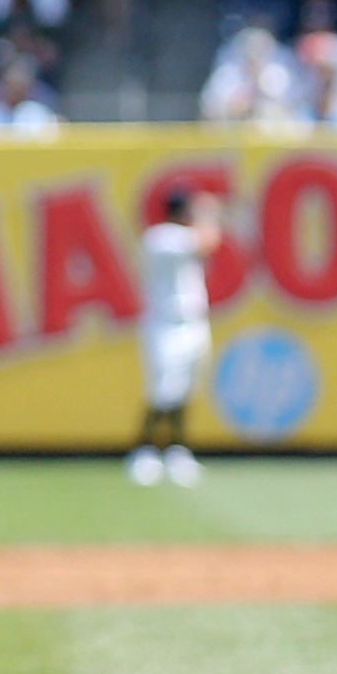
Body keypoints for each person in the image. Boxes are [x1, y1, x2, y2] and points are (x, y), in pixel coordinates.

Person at [132, 185, 220, 486]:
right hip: (165, 324)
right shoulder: (161, 237)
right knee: (161, 391)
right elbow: (208, 241)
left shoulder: (179, 236)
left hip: (193, 322)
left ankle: (177, 450)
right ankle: (145, 450)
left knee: (186, 390)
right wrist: (209, 211)